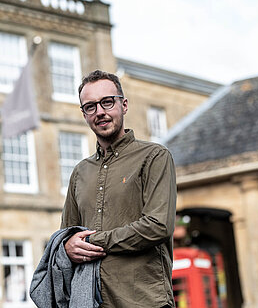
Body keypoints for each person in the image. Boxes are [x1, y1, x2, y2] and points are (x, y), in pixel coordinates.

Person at [61, 70, 176, 308]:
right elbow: (67, 235)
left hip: (144, 302)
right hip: (91, 302)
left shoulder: (154, 156)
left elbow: (158, 226)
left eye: (107, 102)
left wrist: (95, 241)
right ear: (84, 114)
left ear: (123, 105)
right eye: (90, 107)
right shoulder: (80, 172)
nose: (100, 112)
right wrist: (66, 247)